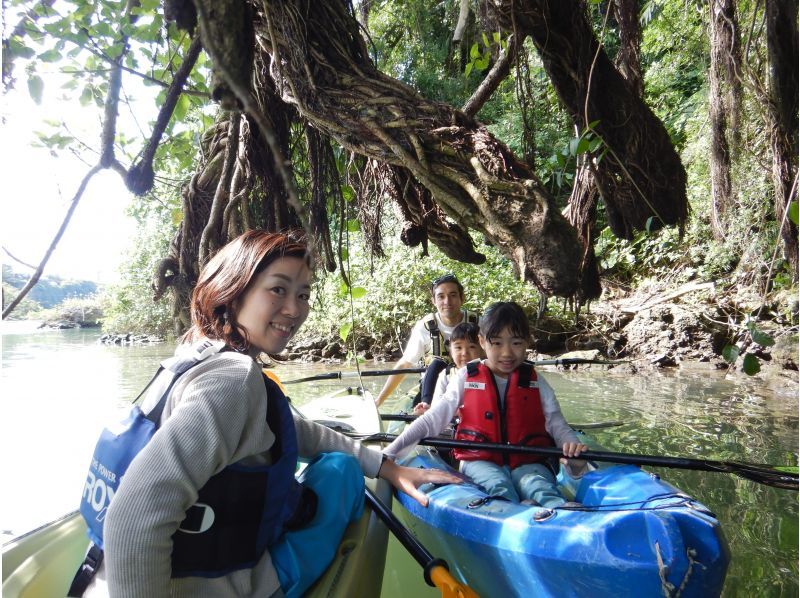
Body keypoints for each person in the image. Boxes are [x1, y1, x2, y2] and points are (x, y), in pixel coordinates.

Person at [77, 230, 460, 598]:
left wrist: (386, 467)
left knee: (339, 464)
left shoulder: (194, 355)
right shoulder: (234, 379)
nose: (295, 309)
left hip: (98, 579)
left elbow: (293, 429)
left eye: (304, 294)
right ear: (235, 288)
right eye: (278, 289)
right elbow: (131, 518)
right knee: (341, 474)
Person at [383, 301, 587, 508]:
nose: (507, 353)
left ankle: (556, 508)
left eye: (516, 343)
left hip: (528, 461)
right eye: (497, 343)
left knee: (539, 485)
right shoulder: (465, 376)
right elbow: (432, 420)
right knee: (498, 486)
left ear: (527, 342)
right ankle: (518, 510)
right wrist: (388, 454)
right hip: (478, 460)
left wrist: (572, 449)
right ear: (482, 342)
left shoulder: (536, 381)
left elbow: (557, 424)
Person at [374, 273, 478, 407]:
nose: (447, 302)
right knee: (436, 363)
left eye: (453, 295)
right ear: (434, 301)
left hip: (472, 384)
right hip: (433, 390)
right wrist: (379, 401)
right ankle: (425, 407)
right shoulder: (425, 326)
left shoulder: (478, 323)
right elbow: (405, 363)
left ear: (462, 298)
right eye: (441, 296)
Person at [413, 321, 482, 415]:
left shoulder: (488, 373)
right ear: (451, 351)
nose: (464, 353)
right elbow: (437, 404)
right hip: (450, 425)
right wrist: (430, 408)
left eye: (472, 347)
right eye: (458, 347)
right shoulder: (446, 375)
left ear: (482, 349)